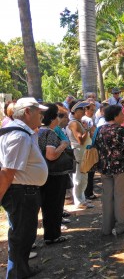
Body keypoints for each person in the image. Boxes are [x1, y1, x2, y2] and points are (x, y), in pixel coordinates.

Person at [0, 97, 48, 278]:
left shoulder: (22, 133)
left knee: (25, 234)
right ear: (27, 112)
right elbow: (7, 172)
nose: (42, 115)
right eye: (39, 111)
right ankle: (15, 274)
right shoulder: (18, 136)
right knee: (20, 235)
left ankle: (22, 270)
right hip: (21, 193)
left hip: (25, 192)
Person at [95, 105, 124, 236]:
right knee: (120, 196)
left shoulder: (100, 130)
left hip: (104, 167)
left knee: (107, 197)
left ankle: (106, 227)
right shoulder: (123, 131)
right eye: (121, 114)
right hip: (121, 168)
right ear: (115, 116)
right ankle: (120, 225)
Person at [38, 103, 70, 245]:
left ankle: (50, 233)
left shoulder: (37, 131)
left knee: (47, 205)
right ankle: (53, 235)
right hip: (55, 174)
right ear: (52, 118)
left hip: (43, 173)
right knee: (54, 206)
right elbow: (51, 155)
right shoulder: (49, 133)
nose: (59, 118)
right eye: (58, 115)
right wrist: (63, 145)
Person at [66, 100, 94, 209]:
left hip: (83, 152)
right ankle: (79, 200)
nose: (84, 111)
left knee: (83, 176)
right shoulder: (74, 123)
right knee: (79, 177)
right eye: (82, 109)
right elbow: (80, 140)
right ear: (75, 111)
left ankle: (82, 199)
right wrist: (86, 130)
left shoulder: (77, 122)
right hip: (78, 151)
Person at [82, 102, 97, 201]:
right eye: (91, 110)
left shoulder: (84, 119)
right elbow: (92, 133)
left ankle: (87, 192)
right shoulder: (87, 120)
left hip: (86, 147)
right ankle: (88, 193)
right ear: (85, 110)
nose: (93, 112)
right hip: (88, 147)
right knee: (89, 171)